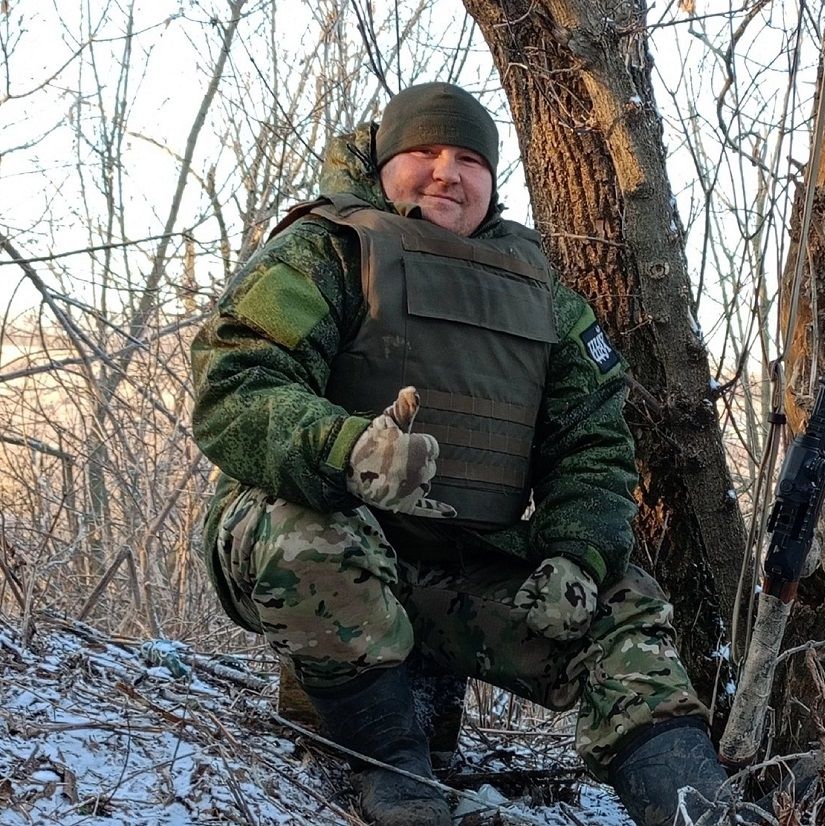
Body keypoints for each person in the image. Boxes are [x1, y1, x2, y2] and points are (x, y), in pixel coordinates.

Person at [190, 82, 735, 826]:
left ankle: (691, 805)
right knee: (312, 534)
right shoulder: (327, 251)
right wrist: (349, 448)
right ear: (383, 163)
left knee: (621, 603)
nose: (447, 171)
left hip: (459, 564)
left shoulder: (545, 297)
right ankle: (389, 765)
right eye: (424, 151)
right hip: (314, 544)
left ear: (492, 178)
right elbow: (238, 388)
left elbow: (594, 444)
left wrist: (578, 554)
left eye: (469, 158)